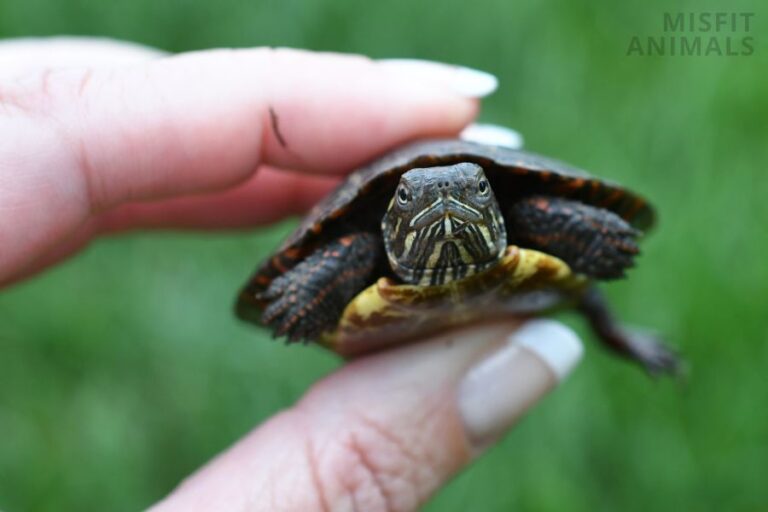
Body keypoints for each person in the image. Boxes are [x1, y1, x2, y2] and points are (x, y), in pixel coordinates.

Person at [0, 38, 583, 511]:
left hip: (510, 294)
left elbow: (588, 230)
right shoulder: (361, 251)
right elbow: (314, 279)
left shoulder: (525, 220)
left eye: (475, 191)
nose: (447, 198)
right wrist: (303, 297)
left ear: (493, 203)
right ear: (391, 219)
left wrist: (594, 240)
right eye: (413, 197)